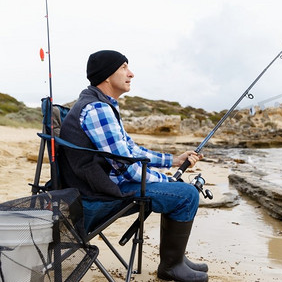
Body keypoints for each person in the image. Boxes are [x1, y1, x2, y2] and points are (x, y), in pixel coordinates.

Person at [59, 50, 208, 282]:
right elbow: (126, 167)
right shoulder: (97, 109)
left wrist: (172, 161)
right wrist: (167, 179)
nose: (131, 73)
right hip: (98, 194)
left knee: (179, 191)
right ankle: (171, 266)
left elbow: (131, 150)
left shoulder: (102, 104)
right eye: (124, 67)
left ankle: (174, 259)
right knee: (186, 194)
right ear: (107, 75)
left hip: (97, 185)